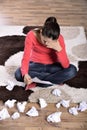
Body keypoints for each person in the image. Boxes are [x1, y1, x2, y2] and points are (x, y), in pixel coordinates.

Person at [15, 16, 77, 90]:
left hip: (53, 66)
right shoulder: (31, 35)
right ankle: (54, 80)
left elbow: (66, 65)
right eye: (45, 40)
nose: (47, 44)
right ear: (41, 32)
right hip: (36, 65)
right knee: (19, 74)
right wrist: (25, 74)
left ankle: (38, 82)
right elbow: (26, 57)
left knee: (72, 70)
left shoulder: (60, 39)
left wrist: (59, 49)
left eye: (51, 42)